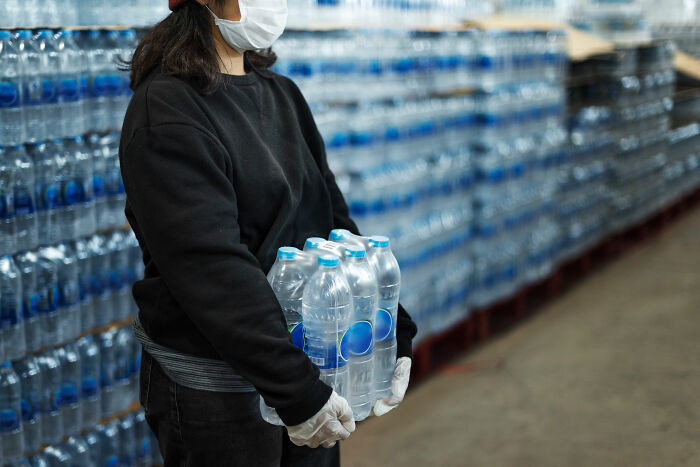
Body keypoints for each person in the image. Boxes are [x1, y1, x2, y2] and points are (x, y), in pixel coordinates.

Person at [119, 0, 418, 465]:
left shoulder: (283, 95)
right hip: (219, 388)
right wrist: (295, 388)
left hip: (307, 369)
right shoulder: (168, 110)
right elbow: (211, 269)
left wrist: (392, 326)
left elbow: (332, 225)